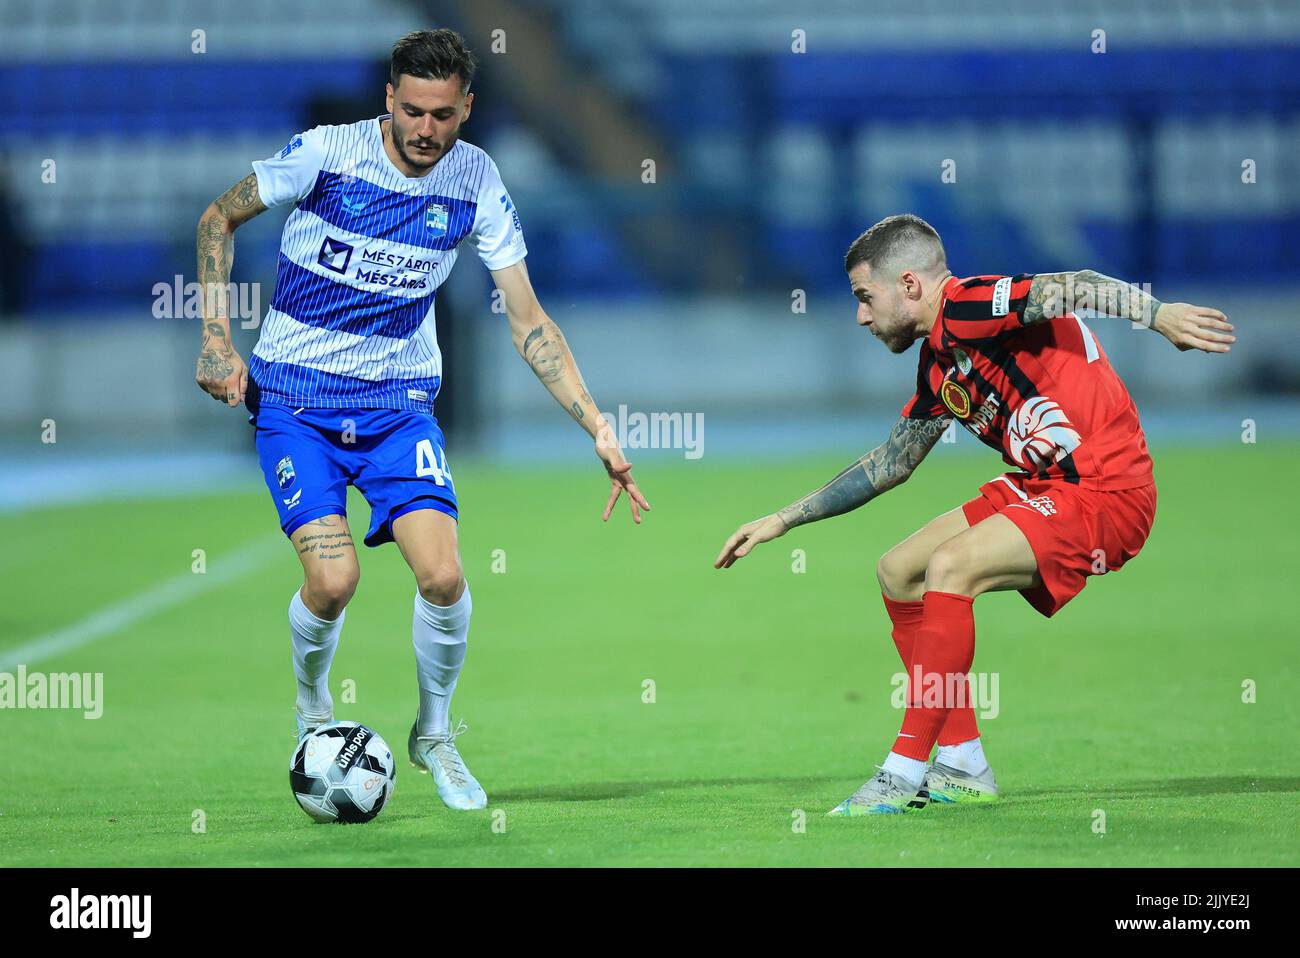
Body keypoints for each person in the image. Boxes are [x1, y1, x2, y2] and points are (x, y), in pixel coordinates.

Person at [194, 29, 649, 812]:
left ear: (467, 107)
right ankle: (313, 712)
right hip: (296, 406)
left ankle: (434, 733)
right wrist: (212, 337)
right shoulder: (325, 155)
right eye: (411, 111)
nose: (425, 130)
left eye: (443, 114)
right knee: (333, 583)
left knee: (443, 575)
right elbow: (215, 218)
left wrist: (597, 427)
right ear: (388, 100)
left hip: (398, 410)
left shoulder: (475, 182)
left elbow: (529, 320)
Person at [715, 213, 1231, 815]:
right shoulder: (938, 363)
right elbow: (891, 464)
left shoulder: (970, 304)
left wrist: (1158, 314)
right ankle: (962, 764)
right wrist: (782, 519)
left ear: (909, 285)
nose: (860, 315)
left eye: (864, 296)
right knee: (899, 570)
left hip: (1104, 490)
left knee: (952, 566)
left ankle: (902, 771)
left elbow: (1071, 284)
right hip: (1045, 483)